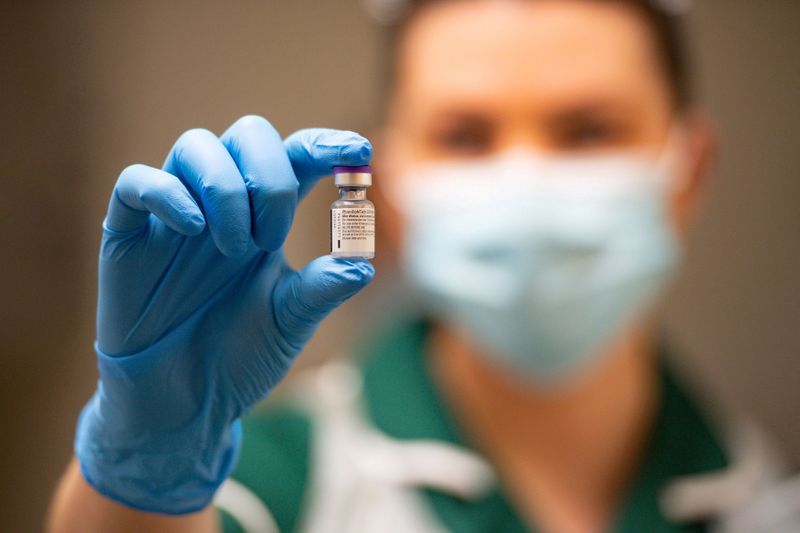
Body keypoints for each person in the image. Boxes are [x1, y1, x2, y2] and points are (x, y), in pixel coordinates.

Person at [47, 0, 797, 532]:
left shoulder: (762, 495)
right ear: (391, 188)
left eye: (588, 130)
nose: (525, 183)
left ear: (689, 172)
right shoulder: (270, 479)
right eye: (466, 136)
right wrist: (144, 475)